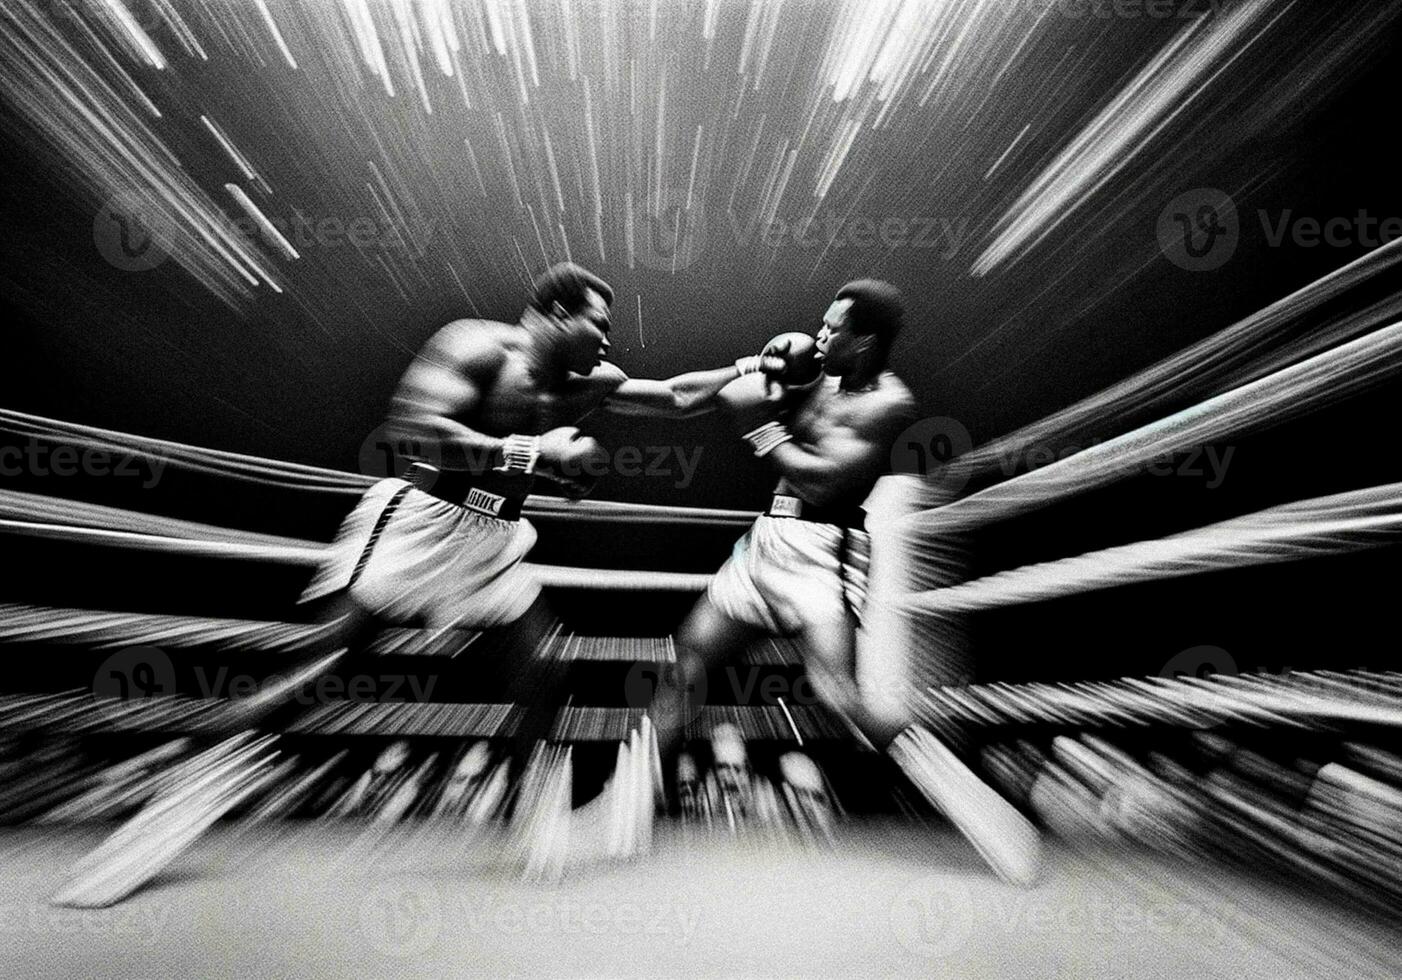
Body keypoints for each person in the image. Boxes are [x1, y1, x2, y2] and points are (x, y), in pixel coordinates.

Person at [54, 262, 800, 906]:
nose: (609, 340)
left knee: (545, 666)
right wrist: (533, 453)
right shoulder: (474, 346)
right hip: (419, 520)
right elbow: (412, 427)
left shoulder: (593, 383)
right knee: (322, 667)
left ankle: (537, 809)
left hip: (490, 541)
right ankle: (174, 807)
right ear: (554, 312)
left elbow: (673, 397)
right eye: (597, 323)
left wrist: (748, 369)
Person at [644, 279, 1042, 883]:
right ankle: (631, 805)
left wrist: (761, 429)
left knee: (837, 694)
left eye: (835, 330)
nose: (822, 335)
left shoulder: (888, 404)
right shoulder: (811, 370)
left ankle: (969, 799)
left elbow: (823, 484)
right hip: (766, 542)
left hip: (823, 551)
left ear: (867, 343)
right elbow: (692, 396)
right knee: (688, 663)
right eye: (823, 325)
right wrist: (747, 367)